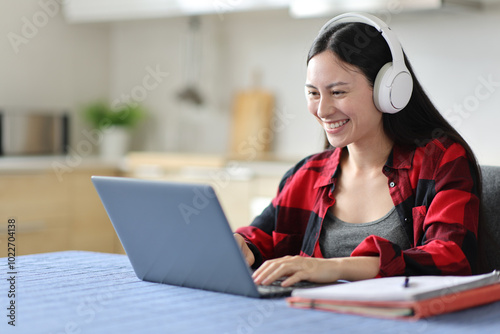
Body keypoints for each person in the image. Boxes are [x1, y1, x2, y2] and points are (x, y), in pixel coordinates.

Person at [233, 13, 482, 287]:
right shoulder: (308, 174)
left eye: (338, 92)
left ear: (389, 91)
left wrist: (334, 268)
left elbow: (452, 257)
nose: (322, 110)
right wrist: (239, 245)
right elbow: (261, 239)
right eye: (313, 93)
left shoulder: (440, 160)